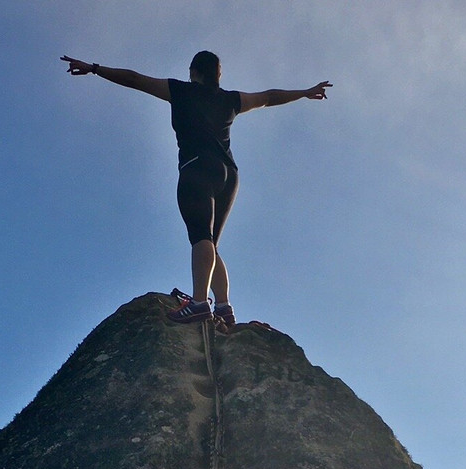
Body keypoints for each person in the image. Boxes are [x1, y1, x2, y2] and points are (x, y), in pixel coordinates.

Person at [62, 51, 331, 324]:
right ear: (218, 74)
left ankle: (200, 303)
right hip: (229, 174)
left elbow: (134, 79)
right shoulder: (231, 99)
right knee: (210, 243)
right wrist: (305, 92)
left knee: (200, 236)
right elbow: (268, 96)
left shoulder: (179, 90)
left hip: (196, 167)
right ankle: (224, 308)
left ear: (193, 71)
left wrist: (94, 68)